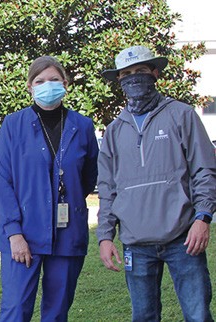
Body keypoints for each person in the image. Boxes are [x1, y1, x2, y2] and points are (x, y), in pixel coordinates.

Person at [97, 45, 216, 321]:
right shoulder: (114, 131)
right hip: (136, 244)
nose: (134, 78)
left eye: (140, 71)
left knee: (197, 314)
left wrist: (203, 218)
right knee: (143, 316)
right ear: (119, 81)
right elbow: (107, 188)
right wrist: (105, 236)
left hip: (184, 238)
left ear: (155, 73)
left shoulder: (182, 115)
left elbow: (205, 170)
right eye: (127, 74)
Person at [0, 56, 99, 321]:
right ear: (29, 86)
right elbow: (3, 182)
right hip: (23, 233)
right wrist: (14, 233)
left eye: (54, 80)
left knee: (57, 311)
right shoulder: (12, 125)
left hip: (68, 232)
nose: (47, 85)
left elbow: (88, 177)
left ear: (65, 84)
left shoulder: (83, 126)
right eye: (39, 81)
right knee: (16, 309)